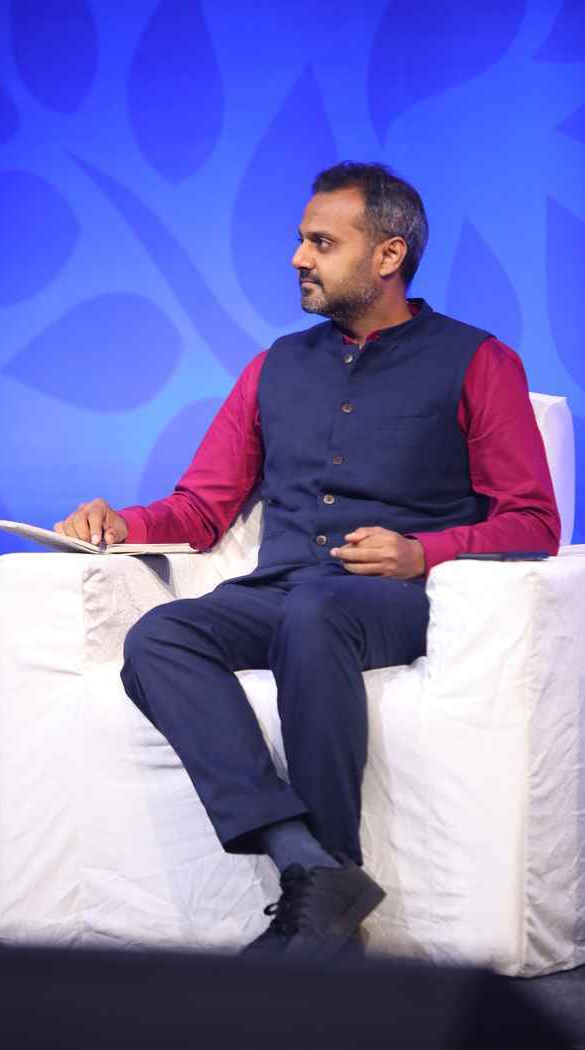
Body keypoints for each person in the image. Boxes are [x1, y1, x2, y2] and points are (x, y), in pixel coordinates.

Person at [54, 162, 560, 958]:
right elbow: (201, 508)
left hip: (394, 599)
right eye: (301, 240)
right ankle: (311, 867)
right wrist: (120, 523)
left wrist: (421, 551)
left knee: (316, 613)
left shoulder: (478, 361)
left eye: (322, 243)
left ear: (388, 255)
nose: (298, 257)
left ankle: (321, 904)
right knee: (161, 635)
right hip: (282, 590)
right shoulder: (275, 367)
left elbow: (533, 521)